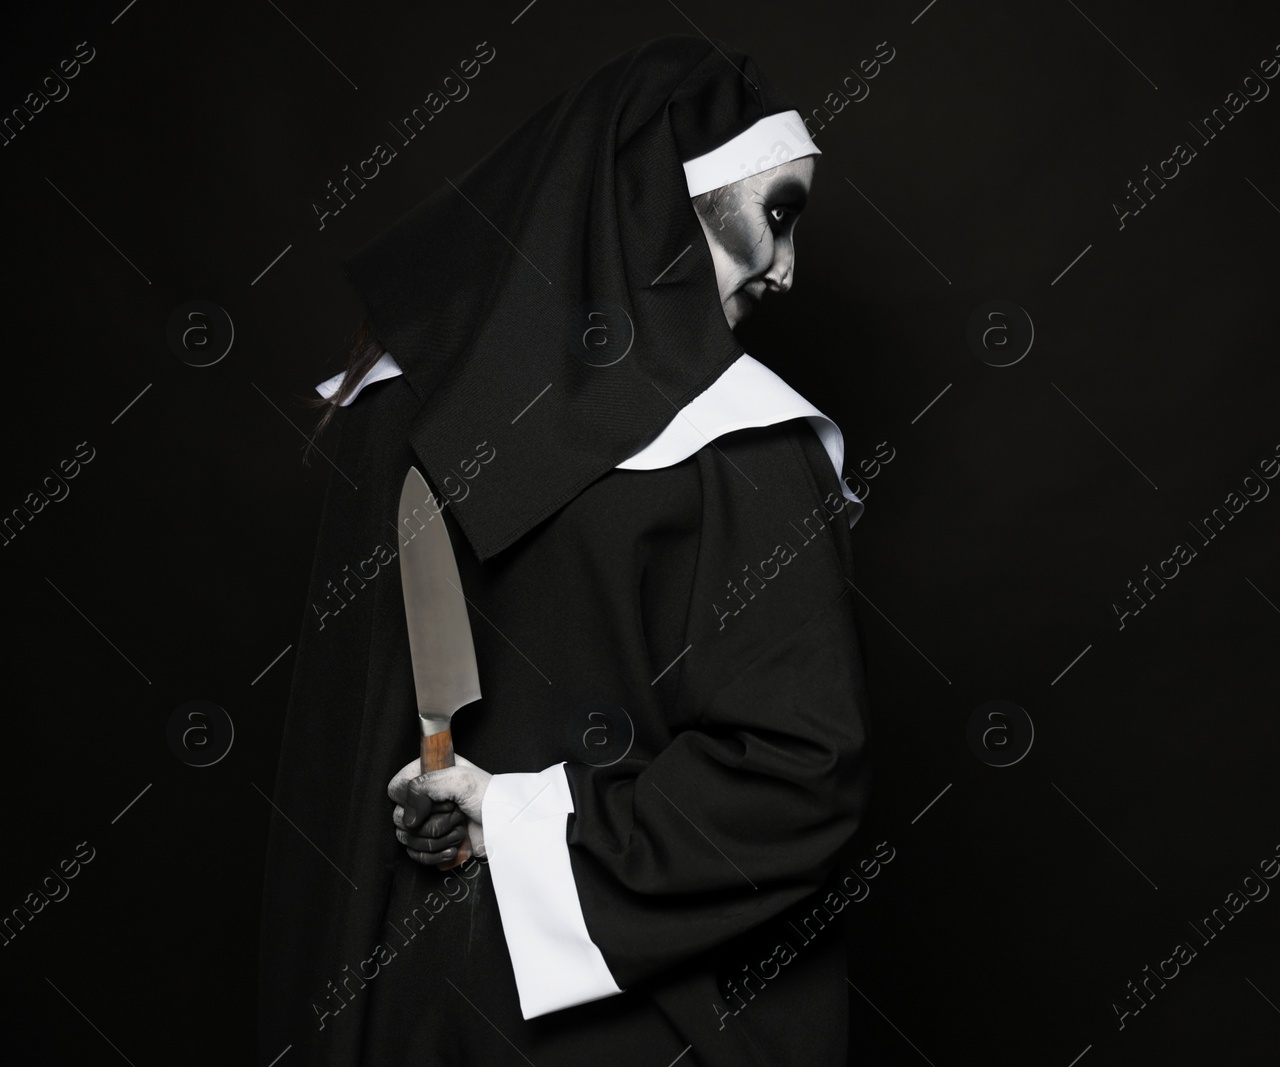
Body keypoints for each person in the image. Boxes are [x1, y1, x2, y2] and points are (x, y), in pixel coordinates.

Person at [258, 34, 875, 1067]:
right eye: (778, 213)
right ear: (659, 191)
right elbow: (798, 777)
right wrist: (501, 815)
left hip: (399, 1017)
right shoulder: (748, 454)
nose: (787, 272)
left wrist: (503, 812)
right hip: (643, 1029)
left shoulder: (381, 415)